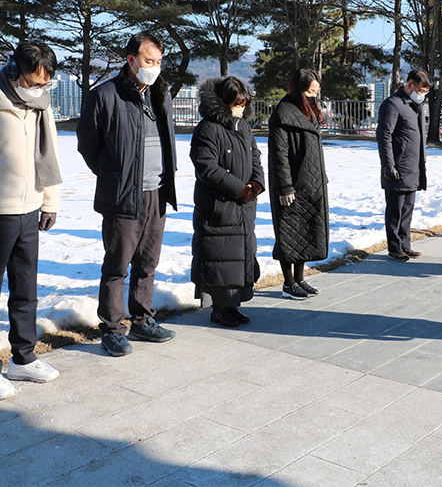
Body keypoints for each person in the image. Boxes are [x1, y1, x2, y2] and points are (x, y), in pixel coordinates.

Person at [77, 31, 177, 357]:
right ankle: (112, 327)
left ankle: (143, 318)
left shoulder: (160, 94)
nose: (155, 68)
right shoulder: (105, 95)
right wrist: (113, 176)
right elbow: (88, 145)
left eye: (159, 62)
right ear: (131, 60)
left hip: (157, 192)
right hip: (122, 196)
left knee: (148, 262)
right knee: (118, 265)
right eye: (149, 61)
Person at [0, 41, 61, 397]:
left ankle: (22, 359)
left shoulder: (41, 104)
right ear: (15, 69)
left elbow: (49, 150)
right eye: (34, 81)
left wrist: (49, 200)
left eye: (45, 84)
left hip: (29, 208)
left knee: (25, 290)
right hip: (1, 208)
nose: (38, 89)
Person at [190, 77, 264, 327]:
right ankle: (219, 308)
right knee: (220, 256)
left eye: (244, 104)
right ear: (223, 102)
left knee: (240, 255)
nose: (240, 109)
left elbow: (256, 157)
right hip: (219, 206)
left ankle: (233, 305)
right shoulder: (207, 129)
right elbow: (207, 168)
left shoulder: (243, 126)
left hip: (244, 206)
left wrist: (256, 185)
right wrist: (239, 189)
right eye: (236, 104)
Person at [268, 68, 329, 300]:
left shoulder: (308, 109)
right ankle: (288, 283)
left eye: (316, 90)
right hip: (292, 186)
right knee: (288, 234)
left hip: (311, 183)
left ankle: (300, 279)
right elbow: (278, 155)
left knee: (304, 232)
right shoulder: (282, 114)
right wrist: (285, 187)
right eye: (310, 90)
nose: (314, 94)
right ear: (298, 88)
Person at [376, 69, 431, 262]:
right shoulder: (392, 104)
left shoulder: (415, 106)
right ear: (409, 85)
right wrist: (388, 164)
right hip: (397, 167)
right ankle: (394, 247)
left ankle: (405, 244)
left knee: (408, 208)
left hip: (413, 166)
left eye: (425, 92)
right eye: (420, 90)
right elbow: (384, 136)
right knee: (395, 209)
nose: (422, 95)